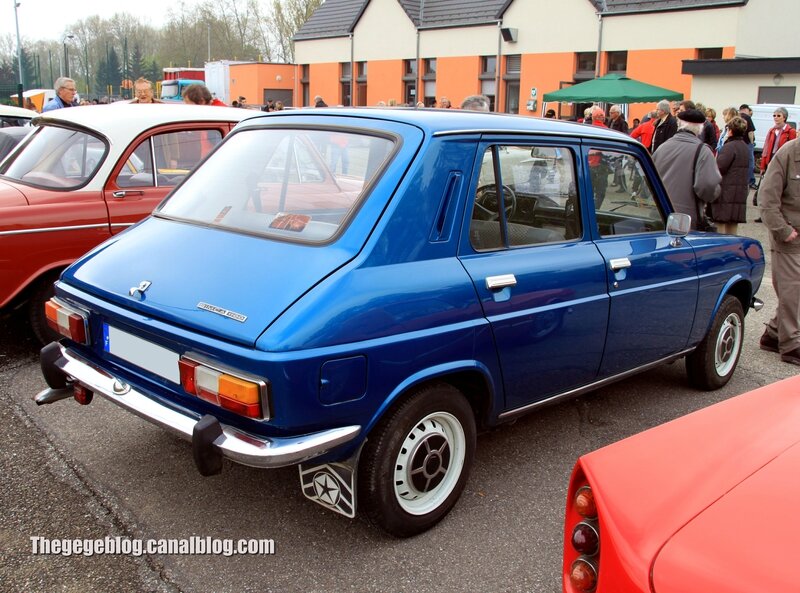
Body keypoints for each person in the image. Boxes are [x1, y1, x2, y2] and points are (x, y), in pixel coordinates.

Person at [757, 137, 800, 365]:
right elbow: (767, 199)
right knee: (792, 291)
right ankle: (791, 345)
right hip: (789, 238)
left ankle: (772, 335)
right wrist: (782, 230)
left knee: (794, 291)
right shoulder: (787, 154)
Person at [652, 109, 721, 229]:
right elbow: (707, 185)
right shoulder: (702, 151)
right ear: (700, 128)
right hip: (685, 218)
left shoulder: (662, 147)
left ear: (679, 124)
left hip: (659, 212)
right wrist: (715, 193)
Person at [711, 116, 750, 235]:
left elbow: (719, 168)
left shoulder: (729, 147)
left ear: (731, 130)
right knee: (732, 227)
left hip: (727, 190)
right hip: (739, 190)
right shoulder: (745, 147)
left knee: (721, 227)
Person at [760, 107, 797, 174]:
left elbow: (793, 149)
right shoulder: (772, 130)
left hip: (783, 161)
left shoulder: (791, 131)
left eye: (778, 115)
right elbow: (766, 149)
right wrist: (762, 166)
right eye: (774, 115)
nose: (775, 117)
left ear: (784, 117)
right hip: (770, 160)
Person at [738, 104, 757, 188]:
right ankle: (750, 181)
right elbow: (750, 132)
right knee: (750, 163)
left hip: (738, 143)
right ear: (746, 109)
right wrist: (752, 143)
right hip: (747, 143)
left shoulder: (736, 117)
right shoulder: (747, 117)